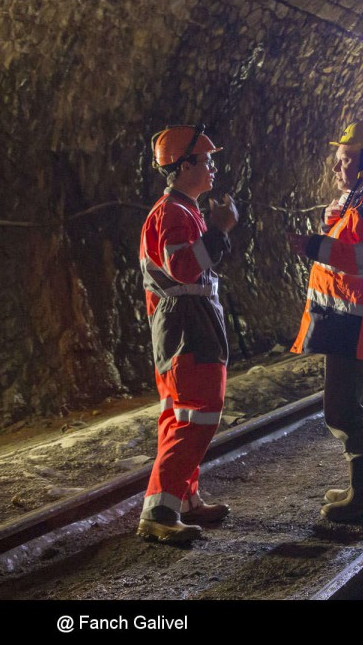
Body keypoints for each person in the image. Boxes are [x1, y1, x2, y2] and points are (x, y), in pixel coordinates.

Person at [289, 120, 363, 523]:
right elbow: (352, 250)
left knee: (341, 409)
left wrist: (313, 245)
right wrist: (331, 226)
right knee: (360, 403)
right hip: (349, 320)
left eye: (344, 160)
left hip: (360, 323)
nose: (336, 169)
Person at [137, 125, 238, 543]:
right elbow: (182, 267)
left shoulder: (184, 209)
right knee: (199, 414)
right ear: (183, 166)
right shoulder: (172, 214)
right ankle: (160, 511)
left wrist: (215, 230)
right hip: (186, 328)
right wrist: (220, 231)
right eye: (207, 160)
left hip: (188, 323)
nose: (213, 167)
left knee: (182, 416)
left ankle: (182, 499)